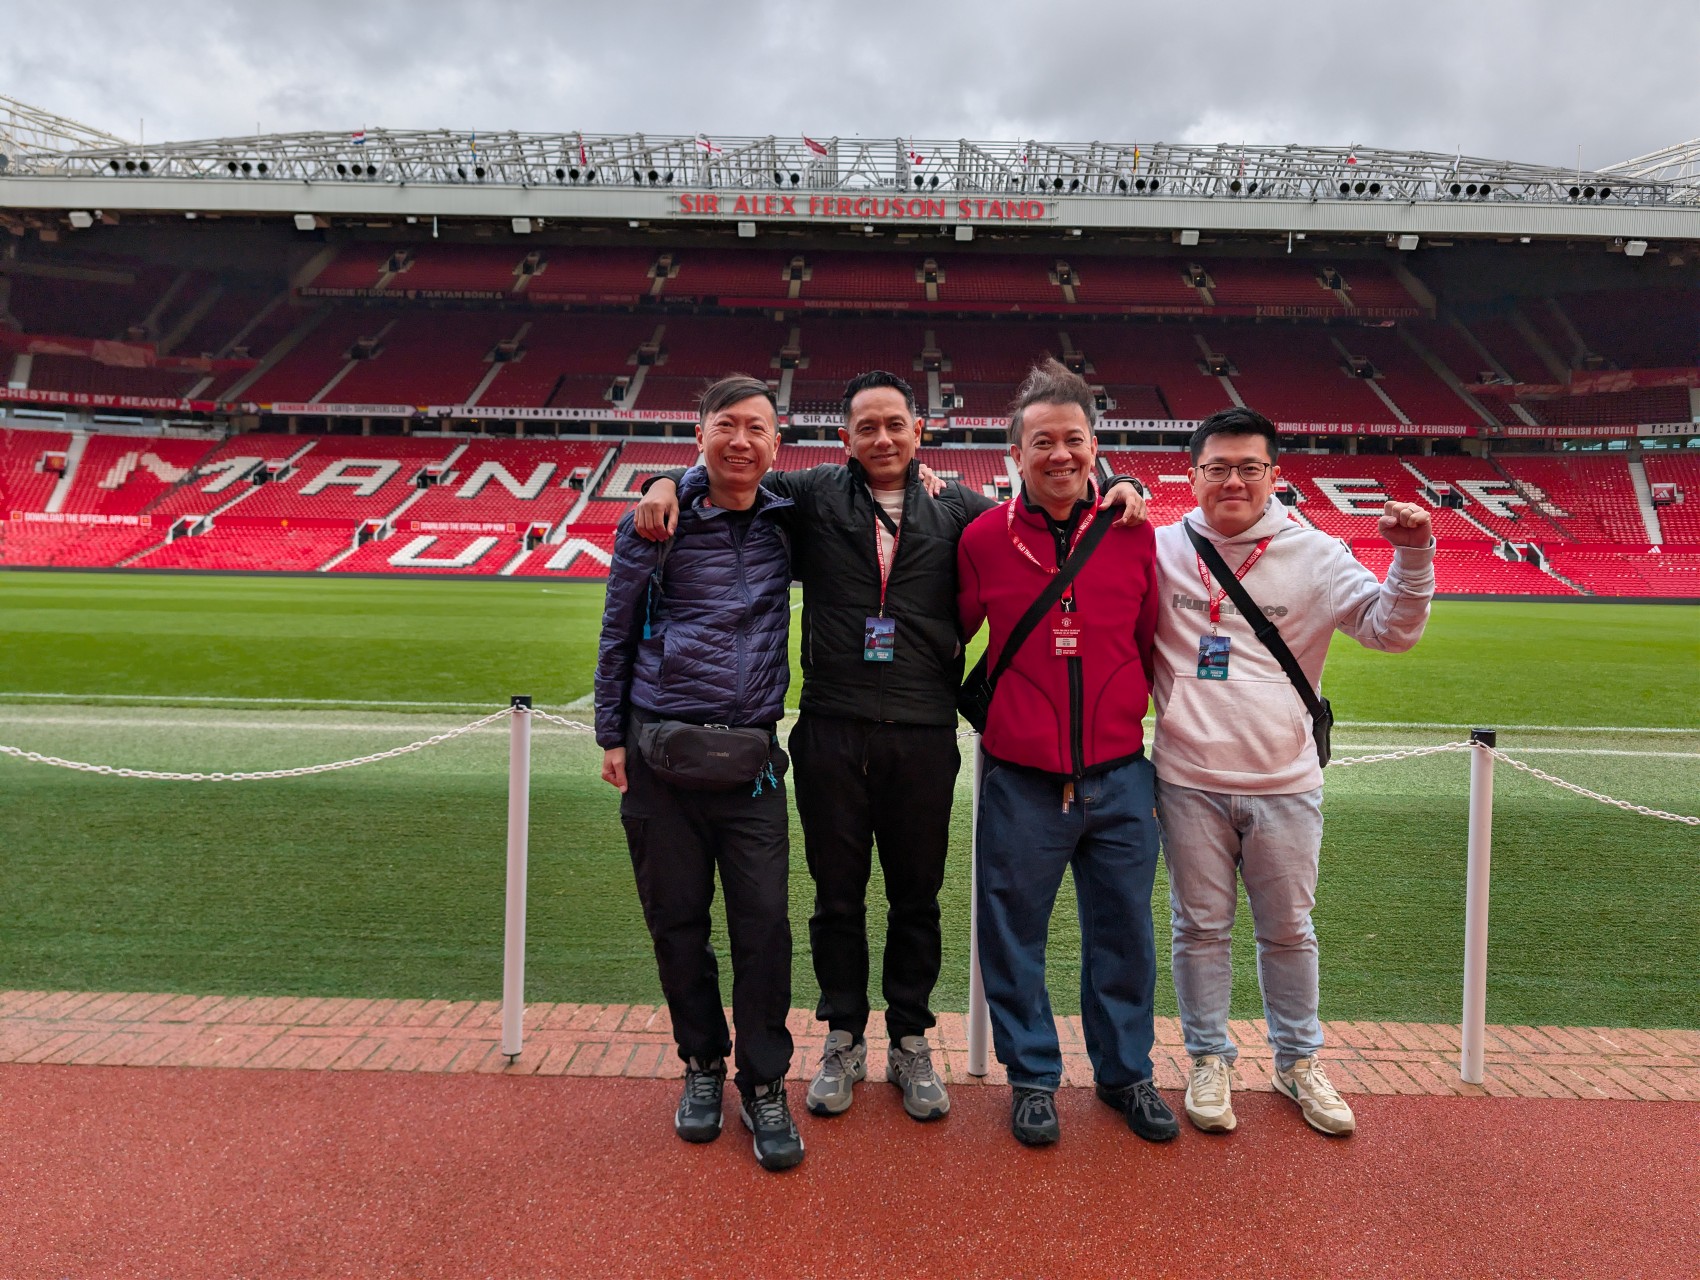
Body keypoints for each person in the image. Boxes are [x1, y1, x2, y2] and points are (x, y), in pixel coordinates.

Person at [637, 371, 1146, 1124]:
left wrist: (1121, 479)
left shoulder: (961, 511)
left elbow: (1043, 510)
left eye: (895, 426)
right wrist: (664, 479)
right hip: (832, 730)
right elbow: (734, 473)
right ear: (844, 438)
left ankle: (910, 1038)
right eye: (866, 427)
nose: (882, 439)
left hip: (922, 732)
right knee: (836, 899)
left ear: (920, 433)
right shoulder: (807, 497)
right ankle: (843, 1035)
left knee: (918, 898)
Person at [1151, 406, 1434, 1138]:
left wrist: (1414, 557)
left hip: (1284, 781)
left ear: (1275, 476)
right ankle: (1210, 1058)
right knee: (1200, 929)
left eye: (1250, 467)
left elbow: (1390, 630)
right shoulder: (1158, 549)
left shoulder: (1315, 553)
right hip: (1187, 777)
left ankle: (1297, 1058)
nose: (1234, 480)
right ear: (1193, 477)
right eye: (1218, 468)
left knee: (1288, 931)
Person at [956, 358, 1175, 1148]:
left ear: (1096, 448)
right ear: (1014, 454)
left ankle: (1125, 1076)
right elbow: (948, 637)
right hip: (1021, 781)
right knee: (1013, 934)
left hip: (1121, 776)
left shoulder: (1137, 532)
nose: (1060, 456)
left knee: (1125, 936)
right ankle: (1033, 1078)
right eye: (1041, 442)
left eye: (1074, 440)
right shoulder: (981, 538)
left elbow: (1156, 643)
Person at [594, 374, 804, 1172]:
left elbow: (871, 494)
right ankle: (703, 1066)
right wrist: (611, 734)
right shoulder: (655, 522)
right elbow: (617, 632)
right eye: (727, 425)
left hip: (751, 760)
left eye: (757, 427)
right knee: (676, 923)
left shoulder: (791, 520)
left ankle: (764, 1083)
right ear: (700, 434)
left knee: (764, 929)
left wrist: (927, 476)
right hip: (660, 757)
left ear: (777, 444)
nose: (741, 440)